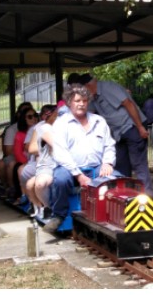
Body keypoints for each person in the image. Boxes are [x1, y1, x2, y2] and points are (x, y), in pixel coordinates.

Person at [40, 84, 115, 233]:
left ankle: (111, 215)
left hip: (96, 167)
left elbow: (109, 145)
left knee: (116, 179)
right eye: (77, 101)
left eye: (84, 101)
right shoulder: (61, 123)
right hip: (69, 169)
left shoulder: (99, 121)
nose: (81, 104)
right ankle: (58, 215)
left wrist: (107, 162)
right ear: (69, 102)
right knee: (60, 179)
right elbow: (60, 153)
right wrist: (78, 175)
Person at [84, 74, 153, 195]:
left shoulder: (108, 87)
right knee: (121, 166)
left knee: (138, 164)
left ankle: (147, 196)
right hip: (117, 134)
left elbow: (128, 103)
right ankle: (125, 197)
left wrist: (140, 127)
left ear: (88, 86)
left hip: (132, 127)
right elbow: (88, 114)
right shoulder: (92, 98)